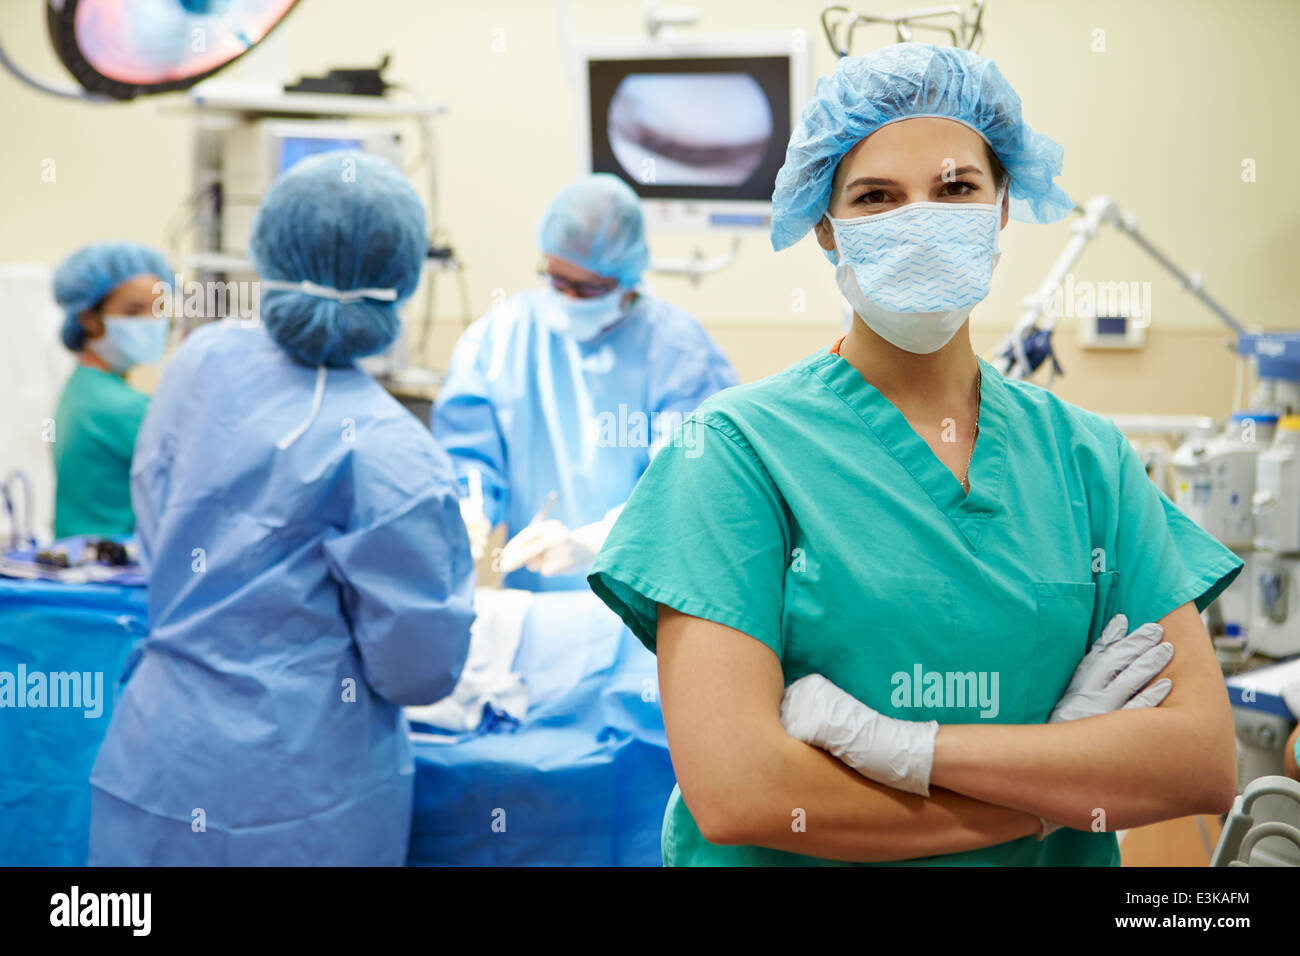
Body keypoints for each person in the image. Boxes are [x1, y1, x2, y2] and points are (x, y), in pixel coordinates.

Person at [588, 43, 1244, 866]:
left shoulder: (1087, 460)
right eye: (875, 197)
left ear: (1002, 206)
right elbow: (745, 792)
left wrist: (903, 746)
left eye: (955, 188)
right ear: (825, 226)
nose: (920, 220)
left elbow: (1199, 764)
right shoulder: (734, 454)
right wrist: (1052, 790)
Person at [88, 152, 476, 866]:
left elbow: (157, 523)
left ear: (270, 251)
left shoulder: (201, 365)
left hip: (158, 760)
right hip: (298, 800)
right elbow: (419, 671)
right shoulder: (393, 454)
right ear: (401, 280)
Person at [432, 173, 738, 591]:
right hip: (536, 603)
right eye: (558, 281)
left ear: (627, 277)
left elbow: (687, 485)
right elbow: (468, 452)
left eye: (590, 287)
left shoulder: (680, 352)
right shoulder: (500, 339)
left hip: (644, 608)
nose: (570, 298)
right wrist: (470, 504)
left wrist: (600, 542)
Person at [50, 242, 172, 539]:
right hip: (111, 566)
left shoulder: (83, 385)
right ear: (89, 320)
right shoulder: (120, 407)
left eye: (158, 309)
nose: (152, 323)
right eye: (134, 311)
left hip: (80, 555)